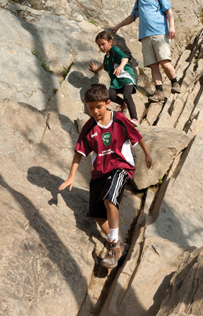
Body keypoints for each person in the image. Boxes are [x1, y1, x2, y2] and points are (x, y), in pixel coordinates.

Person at [59, 83, 152, 269]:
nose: (95, 111)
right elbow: (79, 152)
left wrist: (147, 154)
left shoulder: (119, 119)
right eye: (91, 108)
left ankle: (113, 244)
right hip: (99, 173)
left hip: (121, 166)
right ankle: (117, 244)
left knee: (110, 200)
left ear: (108, 103)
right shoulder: (88, 128)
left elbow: (137, 135)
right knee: (97, 214)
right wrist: (71, 176)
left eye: (99, 107)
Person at [111, 0, 181, 103]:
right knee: (154, 66)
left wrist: (172, 27)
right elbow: (132, 17)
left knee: (164, 62)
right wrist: (117, 26)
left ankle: (175, 83)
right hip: (145, 37)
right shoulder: (139, 0)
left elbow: (169, 12)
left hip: (160, 33)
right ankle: (159, 92)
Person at [89, 31, 139, 127]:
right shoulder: (106, 57)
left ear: (110, 42)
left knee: (127, 95)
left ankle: (135, 119)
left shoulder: (114, 50)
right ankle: (123, 104)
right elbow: (104, 65)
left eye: (103, 44)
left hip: (126, 78)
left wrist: (121, 66)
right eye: (99, 45)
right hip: (116, 81)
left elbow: (125, 58)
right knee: (110, 95)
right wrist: (96, 70)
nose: (101, 47)